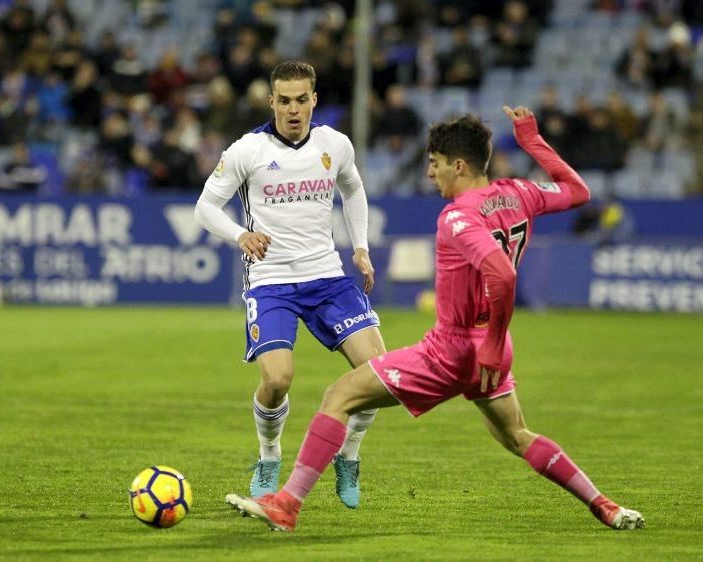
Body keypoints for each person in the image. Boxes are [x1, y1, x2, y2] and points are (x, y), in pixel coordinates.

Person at [225, 106, 645, 532]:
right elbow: (578, 191)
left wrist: (491, 345)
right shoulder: (519, 193)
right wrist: (533, 143)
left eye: (435, 164)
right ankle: (605, 505)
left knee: (339, 396)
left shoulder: (458, 218)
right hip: (491, 350)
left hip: (454, 350)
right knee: (518, 435)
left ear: (458, 165)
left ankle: (287, 505)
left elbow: (502, 272)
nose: (430, 174)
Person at [195, 60, 386, 508]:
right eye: (284, 101)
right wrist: (240, 235)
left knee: (380, 375)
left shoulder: (334, 144)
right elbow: (205, 208)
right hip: (272, 281)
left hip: (327, 277)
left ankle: (349, 455)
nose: (293, 109)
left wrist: (360, 246)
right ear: (271, 102)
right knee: (278, 378)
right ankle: (268, 455)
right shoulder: (248, 150)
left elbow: (353, 189)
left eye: (302, 99)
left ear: (314, 100)